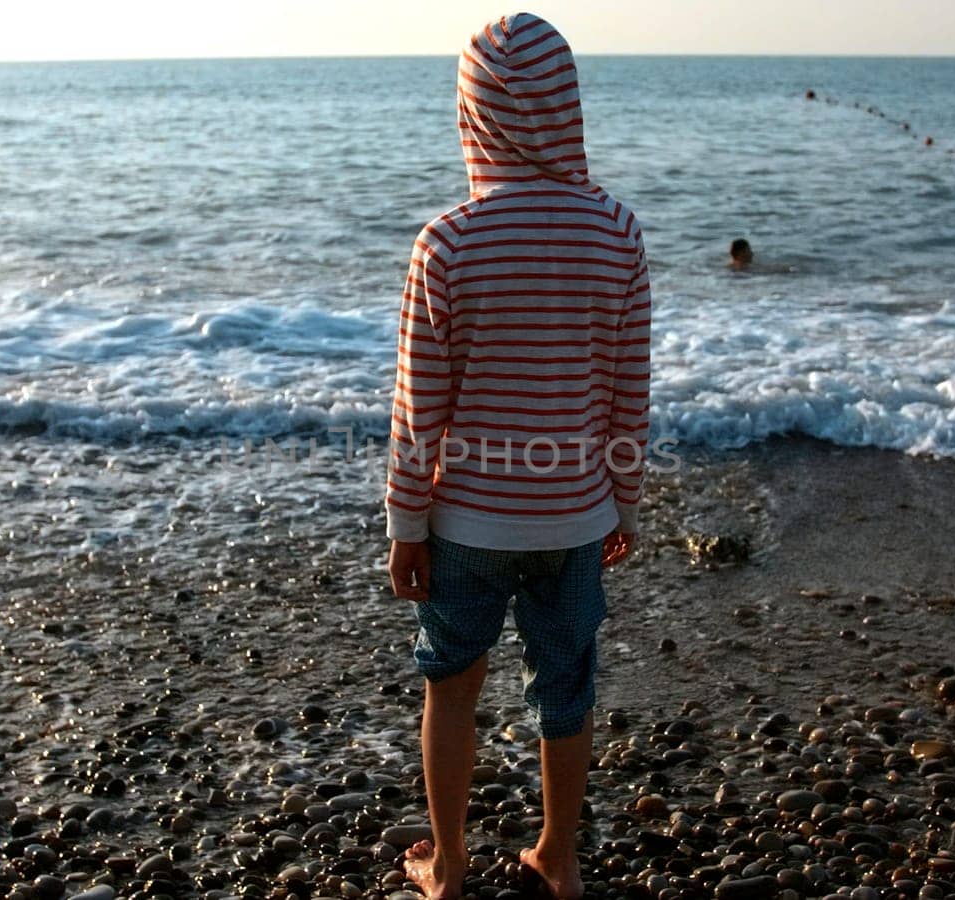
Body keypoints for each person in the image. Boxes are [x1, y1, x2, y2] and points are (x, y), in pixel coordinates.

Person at [384, 12, 651, 900]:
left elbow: (421, 406)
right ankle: (559, 857)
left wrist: (406, 523)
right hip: (575, 516)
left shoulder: (448, 241)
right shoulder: (617, 233)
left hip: (465, 522)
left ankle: (450, 867)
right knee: (565, 689)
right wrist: (624, 502)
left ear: (475, 113)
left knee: (451, 687)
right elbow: (626, 390)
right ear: (565, 105)